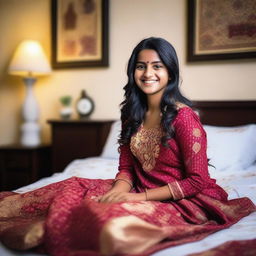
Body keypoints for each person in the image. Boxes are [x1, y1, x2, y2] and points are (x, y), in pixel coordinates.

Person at [0, 37, 255, 256]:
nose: (148, 73)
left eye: (157, 66)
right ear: (133, 71)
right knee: (72, 188)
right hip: (137, 187)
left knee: (107, 219)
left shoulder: (185, 118)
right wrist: (119, 191)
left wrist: (135, 198)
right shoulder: (131, 114)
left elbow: (197, 181)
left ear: (170, 72)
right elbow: (126, 166)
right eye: (141, 66)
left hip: (182, 200)